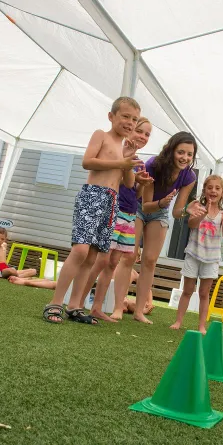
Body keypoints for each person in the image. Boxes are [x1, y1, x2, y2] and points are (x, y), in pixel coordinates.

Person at [42, 96, 143, 324]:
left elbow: (128, 182)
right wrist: (121, 163)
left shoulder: (123, 148)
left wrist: (128, 162)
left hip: (111, 202)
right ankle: (55, 303)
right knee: (80, 250)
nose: (129, 122)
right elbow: (87, 162)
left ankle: (75, 305)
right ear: (112, 116)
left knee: (93, 255)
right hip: (92, 196)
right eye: (125, 116)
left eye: (134, 119)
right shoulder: (102, 135)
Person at [78, 117, 154, 322]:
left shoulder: (137, 163)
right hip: (114, 210)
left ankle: (96, 307)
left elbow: (135, 194)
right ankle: (78, 303)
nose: (143, 137)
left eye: (147, 134)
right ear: (129, 130)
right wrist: (126, 167)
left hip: (129, 216)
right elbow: (112, 180)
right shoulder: (118, 153)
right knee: (100, 260)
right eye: (140, 131)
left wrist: (143, 184)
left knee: (112, 263)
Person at [133, 131, 206, 324]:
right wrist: (161, 203)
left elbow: (176, 212)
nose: (185, 158)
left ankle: (138, 311)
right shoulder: (153, 165)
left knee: (149, 261)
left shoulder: (189, 176)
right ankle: (116, 307)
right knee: (130, 255)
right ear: (172, 150)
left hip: (161, 212)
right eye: (181, 152)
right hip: (139, 207)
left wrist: (187, 211)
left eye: (189, 154)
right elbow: (146, 203)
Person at [170, 175, 223, 334]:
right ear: (204, 191)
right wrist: (202, 213)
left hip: (211, 259)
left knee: (203, 293)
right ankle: (178, 321)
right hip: (193, 254)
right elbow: (191, 224)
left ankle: (201, 326)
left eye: (217, 188)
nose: (213, 191)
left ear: (222, 192)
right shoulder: (198, 208)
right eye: (210, 188)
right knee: (187, 290)